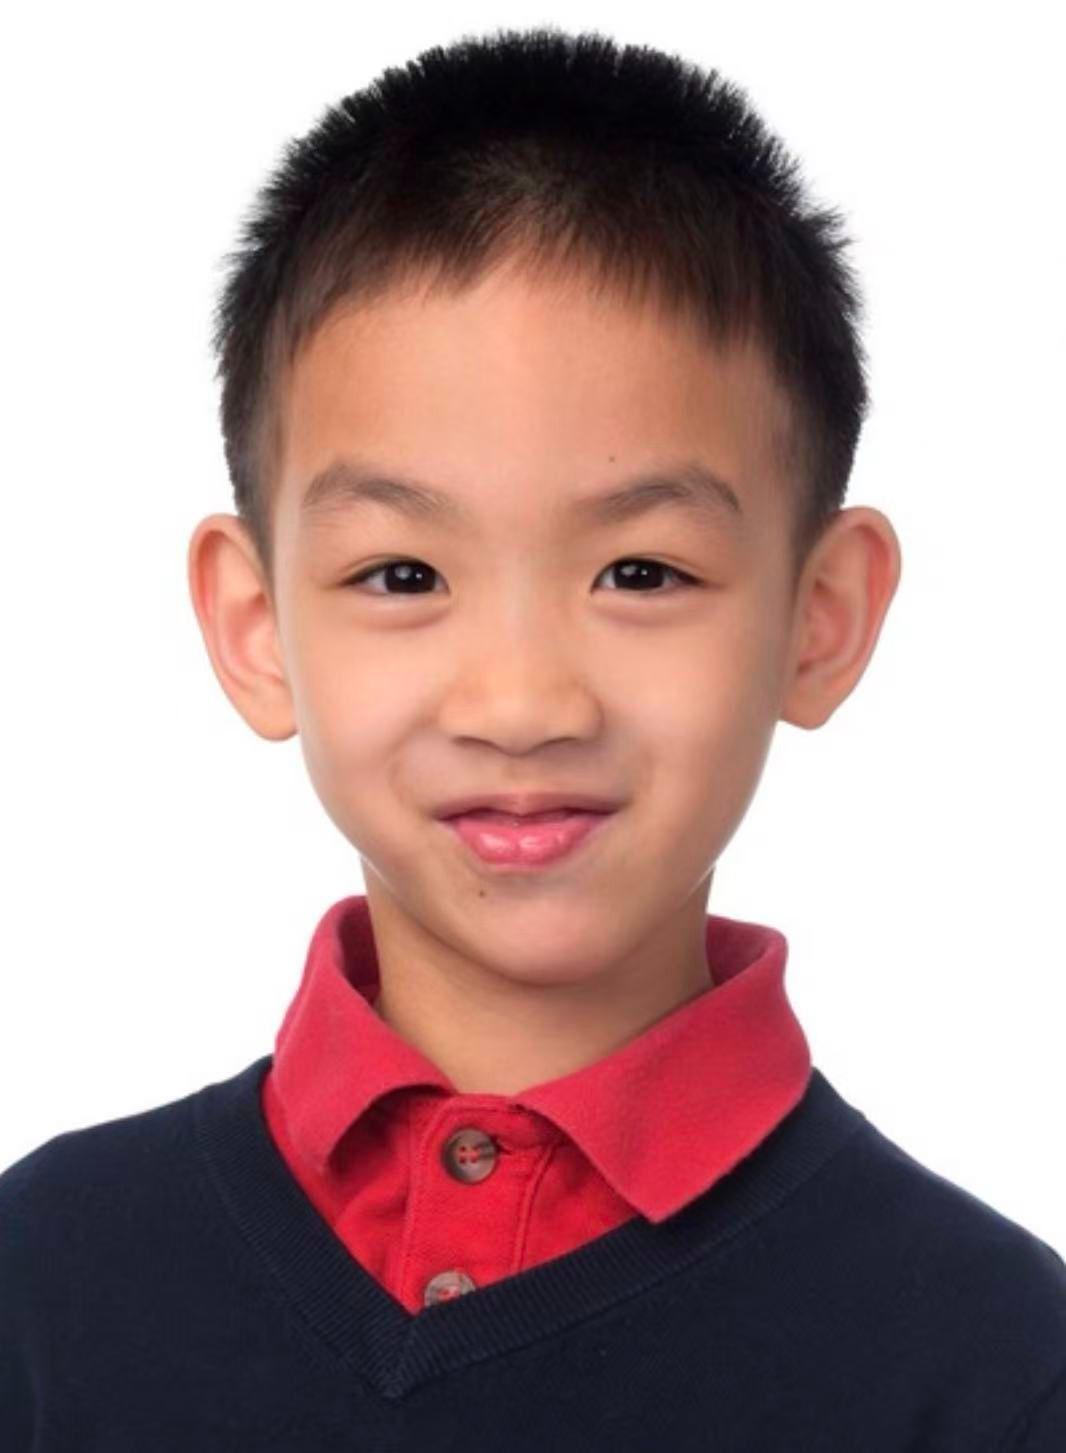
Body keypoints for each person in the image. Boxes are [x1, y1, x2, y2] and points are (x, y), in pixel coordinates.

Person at [2, 24, 1063, 1450]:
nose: (519, 704)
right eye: (402, 574)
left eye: (640, 573)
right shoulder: (45, 1282)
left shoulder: (996, 1367)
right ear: (256, 628)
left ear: (819, 618)